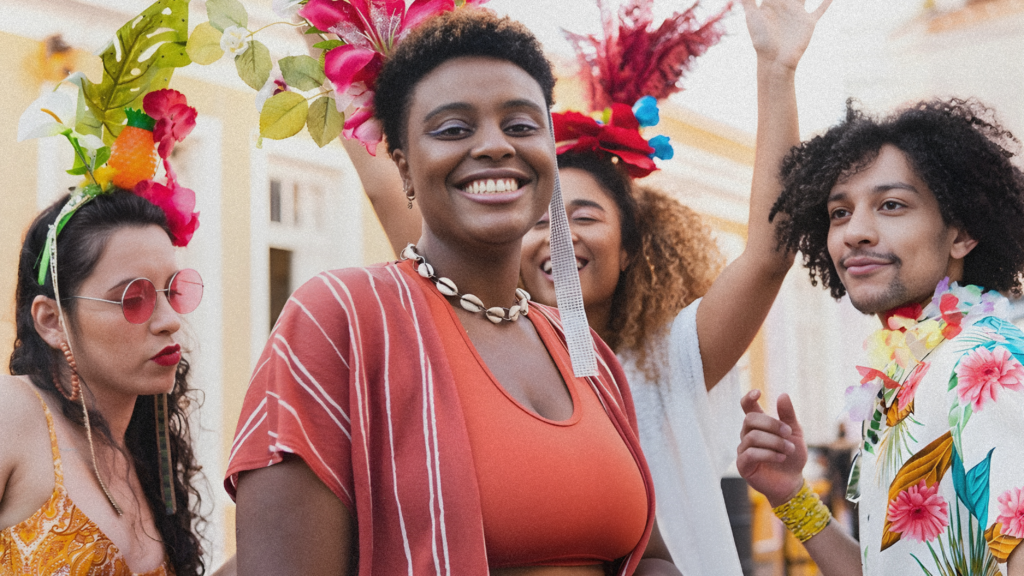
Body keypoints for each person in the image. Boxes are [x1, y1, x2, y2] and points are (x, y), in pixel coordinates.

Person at [346, 1, 831, 573]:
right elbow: (390, 186)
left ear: (629, 249)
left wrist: (777, 69)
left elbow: (769, 254)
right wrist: (336, 45)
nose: (558, 236)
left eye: (584, 217)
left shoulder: (668, 359)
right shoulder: (460, 332)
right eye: (541, 220)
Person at [227, 8, 683, 576]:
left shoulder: (583, 350)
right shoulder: (342, 317)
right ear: (404, 166)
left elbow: (650, 561)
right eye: (453, 129)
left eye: (520, 125)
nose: (495, 146)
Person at [736, 73, 1024, 576]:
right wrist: (790, 494)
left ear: (963, 233)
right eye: (839, 212)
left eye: (891, 205)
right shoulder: (907, 372)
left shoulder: (983, 361)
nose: (856, 233)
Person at [0, 85, 209, 574]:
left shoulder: (143, 456)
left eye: (174, 290)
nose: (169, 320)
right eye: (132, 298)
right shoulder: (12, 414)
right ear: (51, 321)